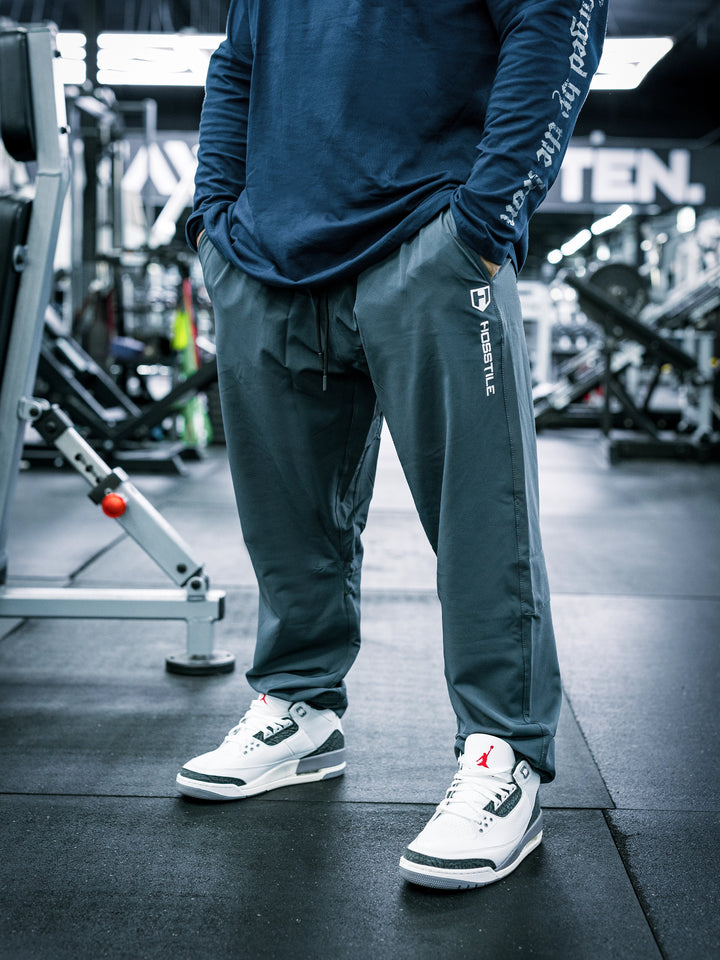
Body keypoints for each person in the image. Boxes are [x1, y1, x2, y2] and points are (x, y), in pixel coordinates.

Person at [176, 0, 607, 890]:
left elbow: (556, 19)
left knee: (480, 513)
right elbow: (238, 60)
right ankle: (298, 707)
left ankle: (505, 754)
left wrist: (486, 218)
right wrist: (212, 215)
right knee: (286, 515)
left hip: (429, 234)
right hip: (264, 252)